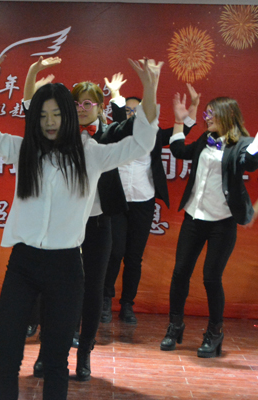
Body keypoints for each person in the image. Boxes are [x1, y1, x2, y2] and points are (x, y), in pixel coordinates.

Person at [0, 41, 160, 400]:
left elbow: (142, 143)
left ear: (68, 116)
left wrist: (150, 90)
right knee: (6, 359)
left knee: (55, 363)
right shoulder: (24, 150)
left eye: (56, 114)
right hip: (22, 265)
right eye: (42, 115)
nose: (50, 122)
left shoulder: (90, 154)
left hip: (66, 268)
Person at [160, 93, 258, 358]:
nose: (207, 117)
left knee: (211, 278)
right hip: (194, 216)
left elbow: (251, 162)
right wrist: (179, 121)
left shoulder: (243, 144)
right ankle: (175, 326)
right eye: (206, 113)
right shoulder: (206, 138)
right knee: (180, 273)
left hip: (222, 222)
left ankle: (215, 333)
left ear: (228, 115)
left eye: (212, 113)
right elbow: (179, 151)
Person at [100, 78, 198, 324]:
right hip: (116, 200)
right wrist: (116, 93)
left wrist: (191, 111)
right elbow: (122, 118)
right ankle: (105, 300)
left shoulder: (153, 135)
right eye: (129, 110)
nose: (134, 114)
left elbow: (181, 133)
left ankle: (127, 305)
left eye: (139, 110)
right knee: (114, 252)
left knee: (134, 257)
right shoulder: (116, 133)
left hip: (144, 201)